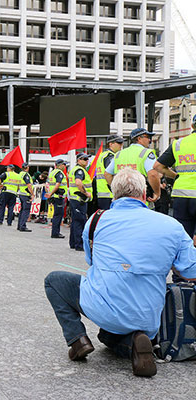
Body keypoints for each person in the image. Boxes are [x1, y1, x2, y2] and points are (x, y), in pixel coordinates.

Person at [44, 168, 196, 377]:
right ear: (144, 195)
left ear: (114, 194)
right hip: (149, 316)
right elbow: (191, 272)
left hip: (105, 309)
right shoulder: (172, 226)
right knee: (114, 334)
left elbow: (91, 261)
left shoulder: (95, 220)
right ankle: (138, 341)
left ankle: (77, 340)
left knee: (54, 281)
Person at [154, 114, 196, 245]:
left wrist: (176, 176)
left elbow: (158, 166)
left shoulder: (178, 144)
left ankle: (185, 264)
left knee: (183, 237)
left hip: (181, 196)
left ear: (192, 126)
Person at [104, 127, 160, 204]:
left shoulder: (119, 154)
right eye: (147, 137)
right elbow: (153, 174)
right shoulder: (146, 153)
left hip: (121, 200)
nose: (149, 140)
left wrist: (116, 190)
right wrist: (157, 193)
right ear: (139, 138)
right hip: (140, 200)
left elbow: (107, 174)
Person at [68, 153, 93, 251]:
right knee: (80, 222)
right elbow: (78, 182)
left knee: (75, 221)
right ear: (78, 160)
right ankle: (79, 245)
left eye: (87, 159)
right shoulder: (79, 170)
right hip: (80, 200)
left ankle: (73, 243)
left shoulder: (74, 170)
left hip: (75, 199)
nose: (87, 161)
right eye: (85, 159)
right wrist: (86, 193)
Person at [95, 135, 124, 210]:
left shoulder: (103, 155)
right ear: (110, 144)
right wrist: (115, 189)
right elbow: (110, 173)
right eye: (119, 143)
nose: (121, 145)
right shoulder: (110, 156)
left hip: (103, 193)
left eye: (122, 143)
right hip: (110, 193)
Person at [47, 160, 68, 239]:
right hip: (58, 196)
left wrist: (50, 194)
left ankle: (55, 232)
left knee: (56, 215)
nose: (65, 166)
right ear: (60, 165)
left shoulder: (52, 172)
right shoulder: (59, 173)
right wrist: (51, 194)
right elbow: (57, 185)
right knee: (58, 215)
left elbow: (48, 185)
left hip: (54, 196)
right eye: (64, 164)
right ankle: (55, 233)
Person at [17, 163, 34, 232]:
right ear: (27, 167)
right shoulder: (26, 175)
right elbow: (29, 185)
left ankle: (19, 225)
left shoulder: (20, 174)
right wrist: (32, 194)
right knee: (26, 211)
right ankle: (22, 226)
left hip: (21, 193)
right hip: (26, 194)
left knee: (22, 210)